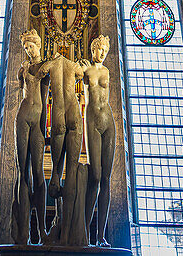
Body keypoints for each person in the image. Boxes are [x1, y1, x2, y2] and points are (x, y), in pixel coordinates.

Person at [39, 51, 88, 244]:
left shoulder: (50, 65)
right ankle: (67, 231)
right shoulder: (74, 66)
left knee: (56, 174)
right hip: (74, 111)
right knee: (73, 172)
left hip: (58, 113)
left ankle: (58, 225)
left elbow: (39, 73)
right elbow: (83, 72)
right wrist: (82, 66)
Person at [12, 30, 49, 245]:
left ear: (38, 44)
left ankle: (42, 229)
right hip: (23, 116)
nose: (28, 50)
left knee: (38, 174)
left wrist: (44, 129)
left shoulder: (45, 69)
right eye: (26, 48)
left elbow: (44, 101)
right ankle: (22, 232)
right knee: (22, 171)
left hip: (37, 121)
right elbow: (21, 92)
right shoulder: (23, 69)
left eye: (31, 46)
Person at [83, 35, 116, 246]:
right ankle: (85, 232)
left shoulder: (107, 71)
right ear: (93, 49)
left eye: (105, 49)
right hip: (92, 119)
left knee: (106, 179)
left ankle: (100, 235)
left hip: (108, 121)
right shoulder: (85, 69)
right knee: (94, 176)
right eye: (99, 49)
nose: (102, 53)